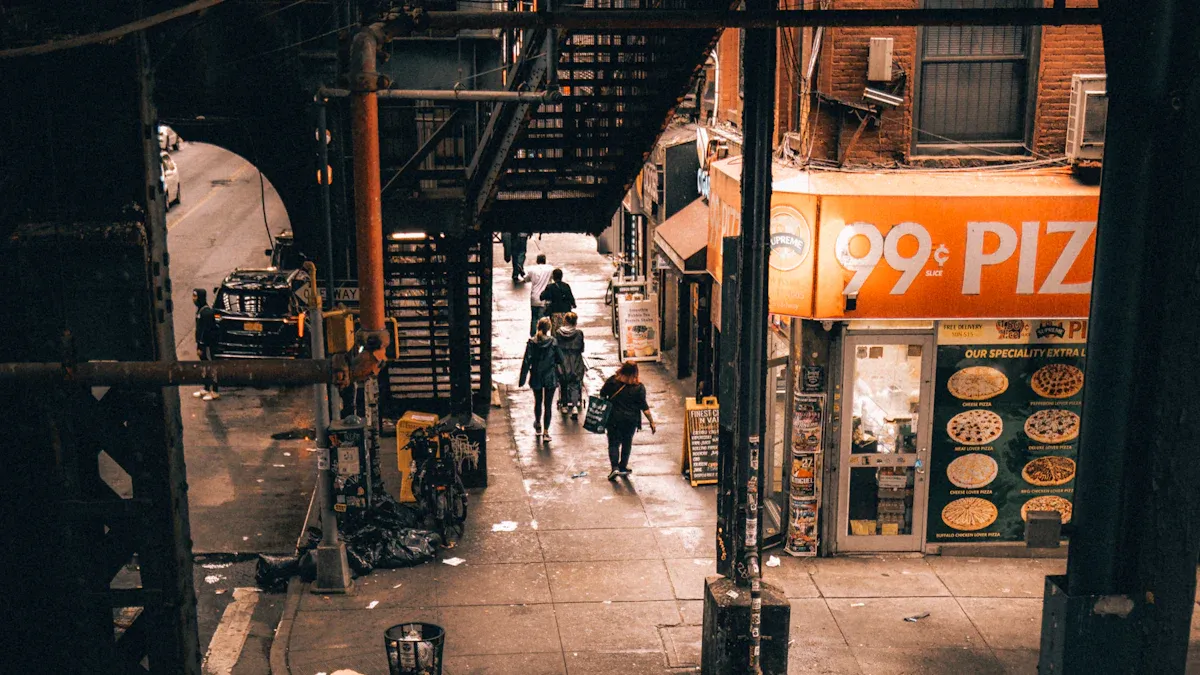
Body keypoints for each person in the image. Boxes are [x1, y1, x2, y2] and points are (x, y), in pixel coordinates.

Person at [599, 361, 655, 480]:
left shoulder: (613, 381)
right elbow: (644, 407)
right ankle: (623, 467)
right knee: (627, 442)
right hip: (630, 420)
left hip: (614, 418)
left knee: (613, 442)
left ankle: (615, 468)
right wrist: (651, 422)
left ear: (622, 369)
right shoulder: (639, 387)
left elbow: (602, 394)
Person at [519, 316, 564, 442]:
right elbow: (560, 359)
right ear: (548, 328)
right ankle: (546, 432)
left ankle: (538, 424)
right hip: (550, 376)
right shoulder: (553, 342)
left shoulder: (532, 342)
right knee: (548, 405)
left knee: (538, 402)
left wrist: (522, 379)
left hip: (536, 376)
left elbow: (526, 361)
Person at [554, 312, 586, 419]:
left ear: (565, 321)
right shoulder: (579, 333)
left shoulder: (558, 333)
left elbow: (556, 347)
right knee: (575, 382)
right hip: (575, 359)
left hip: (563, 360)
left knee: (563, 382)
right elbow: (581, 348)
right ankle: (574, 406)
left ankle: (564, 405)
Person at [192, 289, 220, 401]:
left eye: (195, 296)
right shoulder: (200, 311)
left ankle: (215, 390)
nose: (194, 299)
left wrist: (201, 345)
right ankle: (206, 388)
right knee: (204, 366)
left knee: (211, 366)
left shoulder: (207, 312)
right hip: (202, 344)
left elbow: (206, 331)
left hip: (208, 345)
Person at [539, 268, 577, 333]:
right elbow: (571, 297)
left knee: (555, 330)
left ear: (553, 277)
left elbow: (542, 297)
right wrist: (573, 304)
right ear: (561, 276)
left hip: (554, 311)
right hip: (565, 312)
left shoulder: (550, 287)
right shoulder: (566, 286)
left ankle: (556, 342)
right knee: (565, 329)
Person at [525, 253, 553, 336]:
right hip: (544, 298)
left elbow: (526, 279)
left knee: (534, 318)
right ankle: (542, 335)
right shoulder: (550, 269)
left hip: (534, 297)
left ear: (537, 261)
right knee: (542, 319)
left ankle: (533, 336)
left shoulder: (532, 270)